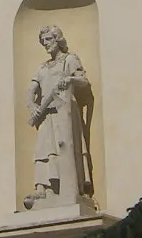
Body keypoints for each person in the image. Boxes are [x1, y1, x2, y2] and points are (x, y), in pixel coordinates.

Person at [23, 25, 94, 210]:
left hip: (65, 112)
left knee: (65, 147)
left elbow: (84, 81)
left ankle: (71, 186)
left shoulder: (69, 60)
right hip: (47, 115)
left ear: (57, 39)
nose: (45, 44)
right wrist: (33, 106)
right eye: (43, 41)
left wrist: (69, 80)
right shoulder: (42, 68)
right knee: (44, 150)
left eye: (48, 39)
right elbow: (30, 91)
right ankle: (44, 188)